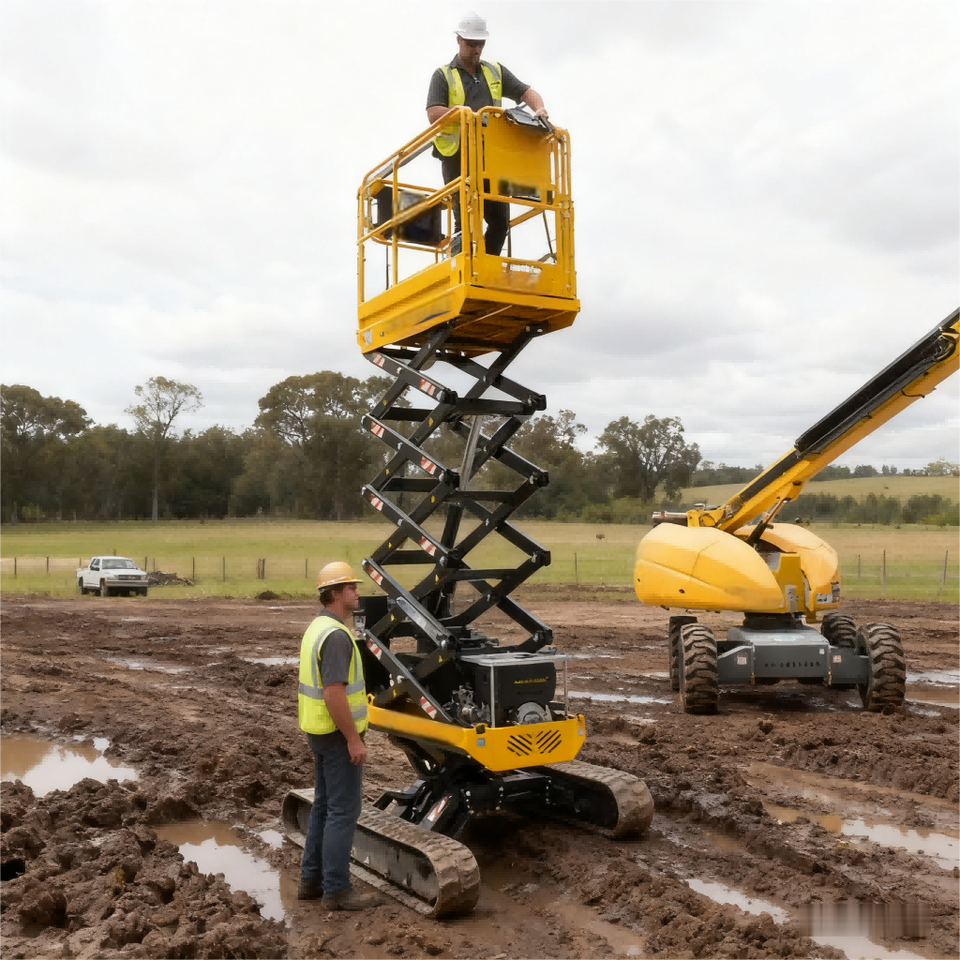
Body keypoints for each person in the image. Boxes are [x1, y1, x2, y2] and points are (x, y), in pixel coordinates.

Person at [425, 11, 549, 256]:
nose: (476, 50)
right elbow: (433, 113)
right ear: (459, 40)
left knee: (500, 222)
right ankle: (462, 266)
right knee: (465, 222)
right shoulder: (443, 75)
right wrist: (460, 113)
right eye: (471, 44)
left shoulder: (494, 71)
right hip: (458, 157)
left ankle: (486, 266)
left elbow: (526, 92)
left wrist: (540, 109)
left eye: (480, 44)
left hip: (490, 157)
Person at [296, 561, 383, 911]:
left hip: (319, 732)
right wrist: (353, 739)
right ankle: (336, 890)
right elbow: (334, 693)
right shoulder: (335, 636)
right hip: (336, 735)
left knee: (324, 806)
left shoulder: (317, 628)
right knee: (343, 811)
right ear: (334, 594)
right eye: (351, 588)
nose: (357, 593)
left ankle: (310, 881)